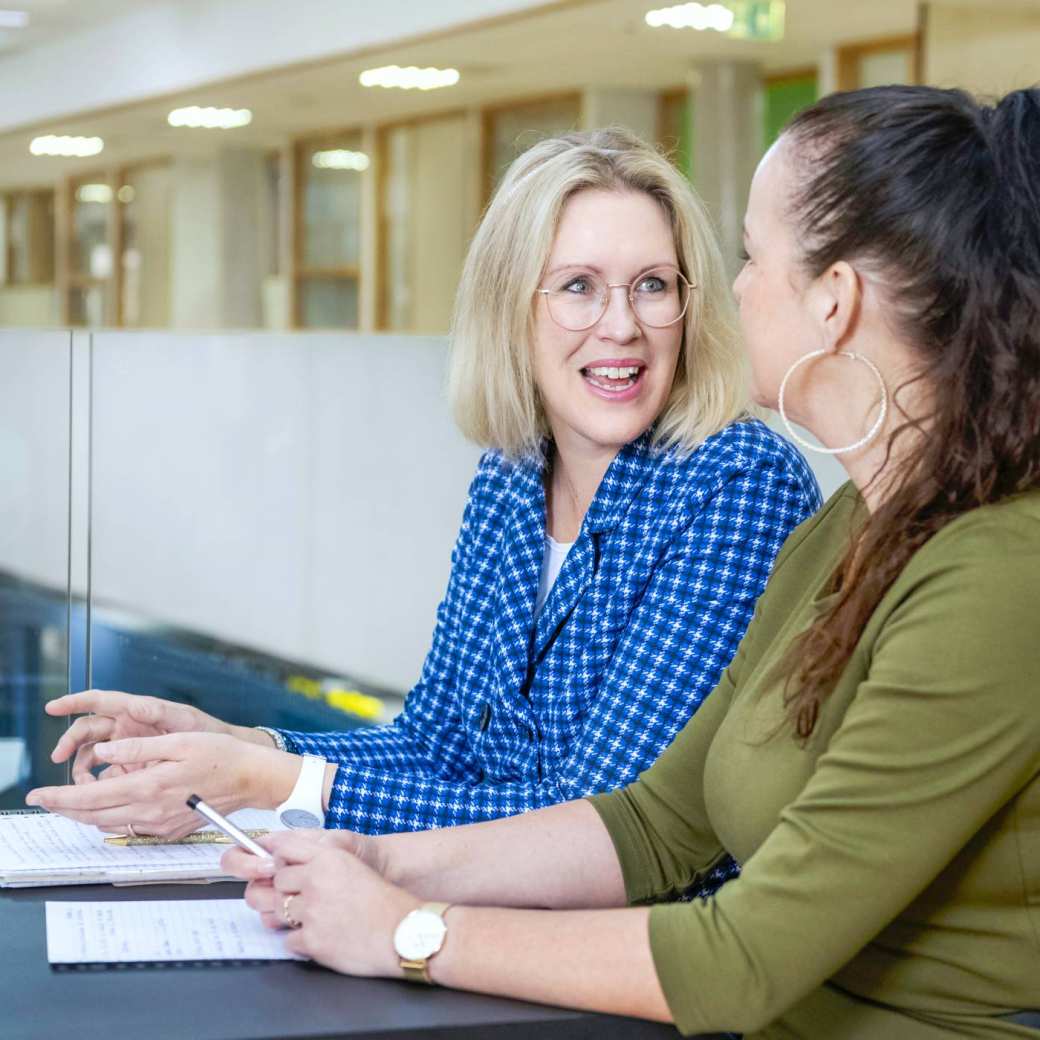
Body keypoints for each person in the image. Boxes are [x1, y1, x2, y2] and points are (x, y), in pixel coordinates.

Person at [225, 85, 1040, 1039]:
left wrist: (407, 930)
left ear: (836, 299)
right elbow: (653, 821)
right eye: (578, 287)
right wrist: (375, 862)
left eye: (746, 257)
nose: (725, 294)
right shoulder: (856, 526)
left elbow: (741, 957)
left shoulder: (992, 572)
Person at [26, 129, 818, 857]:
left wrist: (274, 785)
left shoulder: (735, 485)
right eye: (578, 286)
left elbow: (597, 820)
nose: (622, 325)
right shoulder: (512, 476)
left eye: (651, 285)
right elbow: (435, 745)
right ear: (511, 309)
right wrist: (242, 747)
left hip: (630, 965)